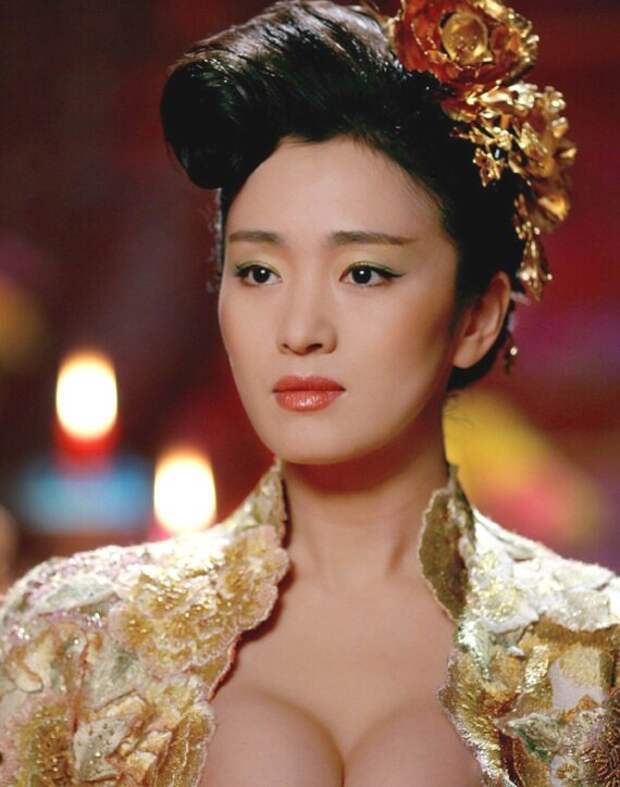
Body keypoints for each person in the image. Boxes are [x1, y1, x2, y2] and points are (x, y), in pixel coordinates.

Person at [0, 1, 618, 785]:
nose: (299, 329)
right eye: (259, 272)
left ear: (477, 317)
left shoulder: (596, 659)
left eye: (364, 272)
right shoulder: (73, 639)